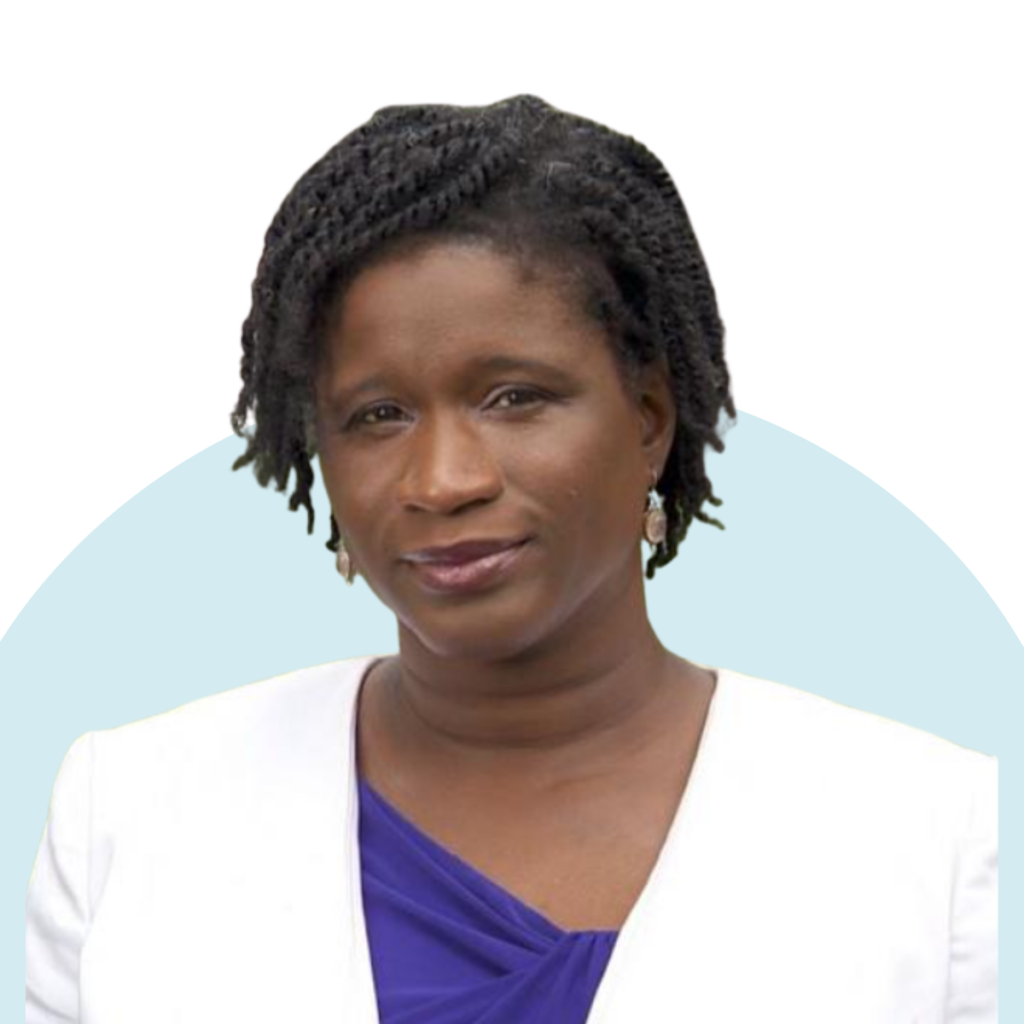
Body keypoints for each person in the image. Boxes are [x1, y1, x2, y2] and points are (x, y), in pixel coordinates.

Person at [26, 94, 997, 1024]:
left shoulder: (930, 833)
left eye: (514, 398)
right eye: (378, 415)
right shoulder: (130, 811)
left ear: (648, 419)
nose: (442, 480)